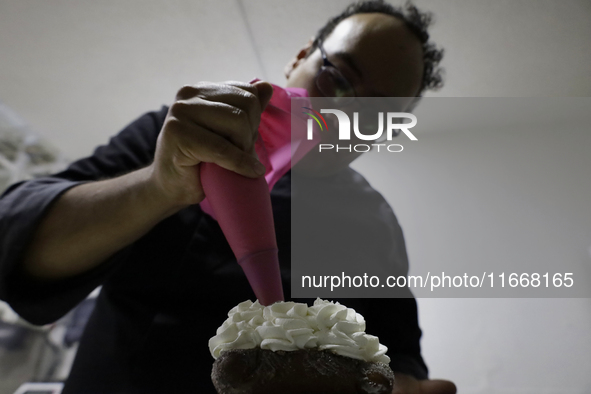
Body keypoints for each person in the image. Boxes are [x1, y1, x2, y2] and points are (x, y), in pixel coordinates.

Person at [0, 1, 455, 393]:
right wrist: (158, 186)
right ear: (300, 58)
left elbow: (398, 360)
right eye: (335, 77)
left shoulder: (375, 225)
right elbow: (15, 243)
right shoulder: (179, 137)